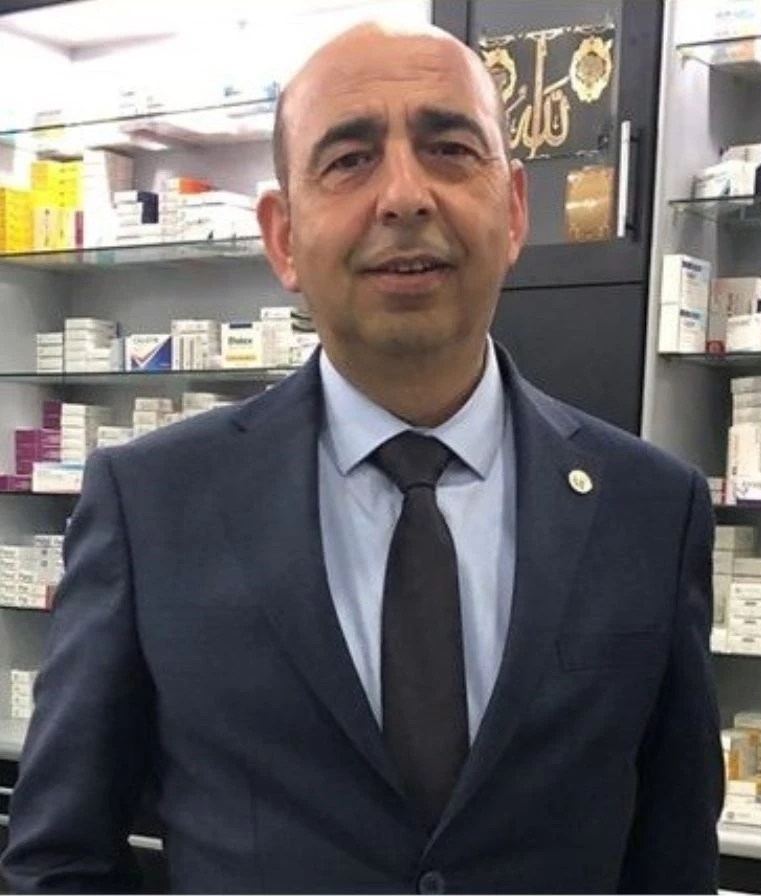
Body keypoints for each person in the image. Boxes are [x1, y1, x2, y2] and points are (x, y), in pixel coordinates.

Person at [2, 21, 723, 895]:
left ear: (514, 210)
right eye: (349, 160)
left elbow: (674, 864)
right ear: (283, 238)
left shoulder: (649, 509)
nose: (405, 196)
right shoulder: (153, 505)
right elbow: (59, 860)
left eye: (450, 149)